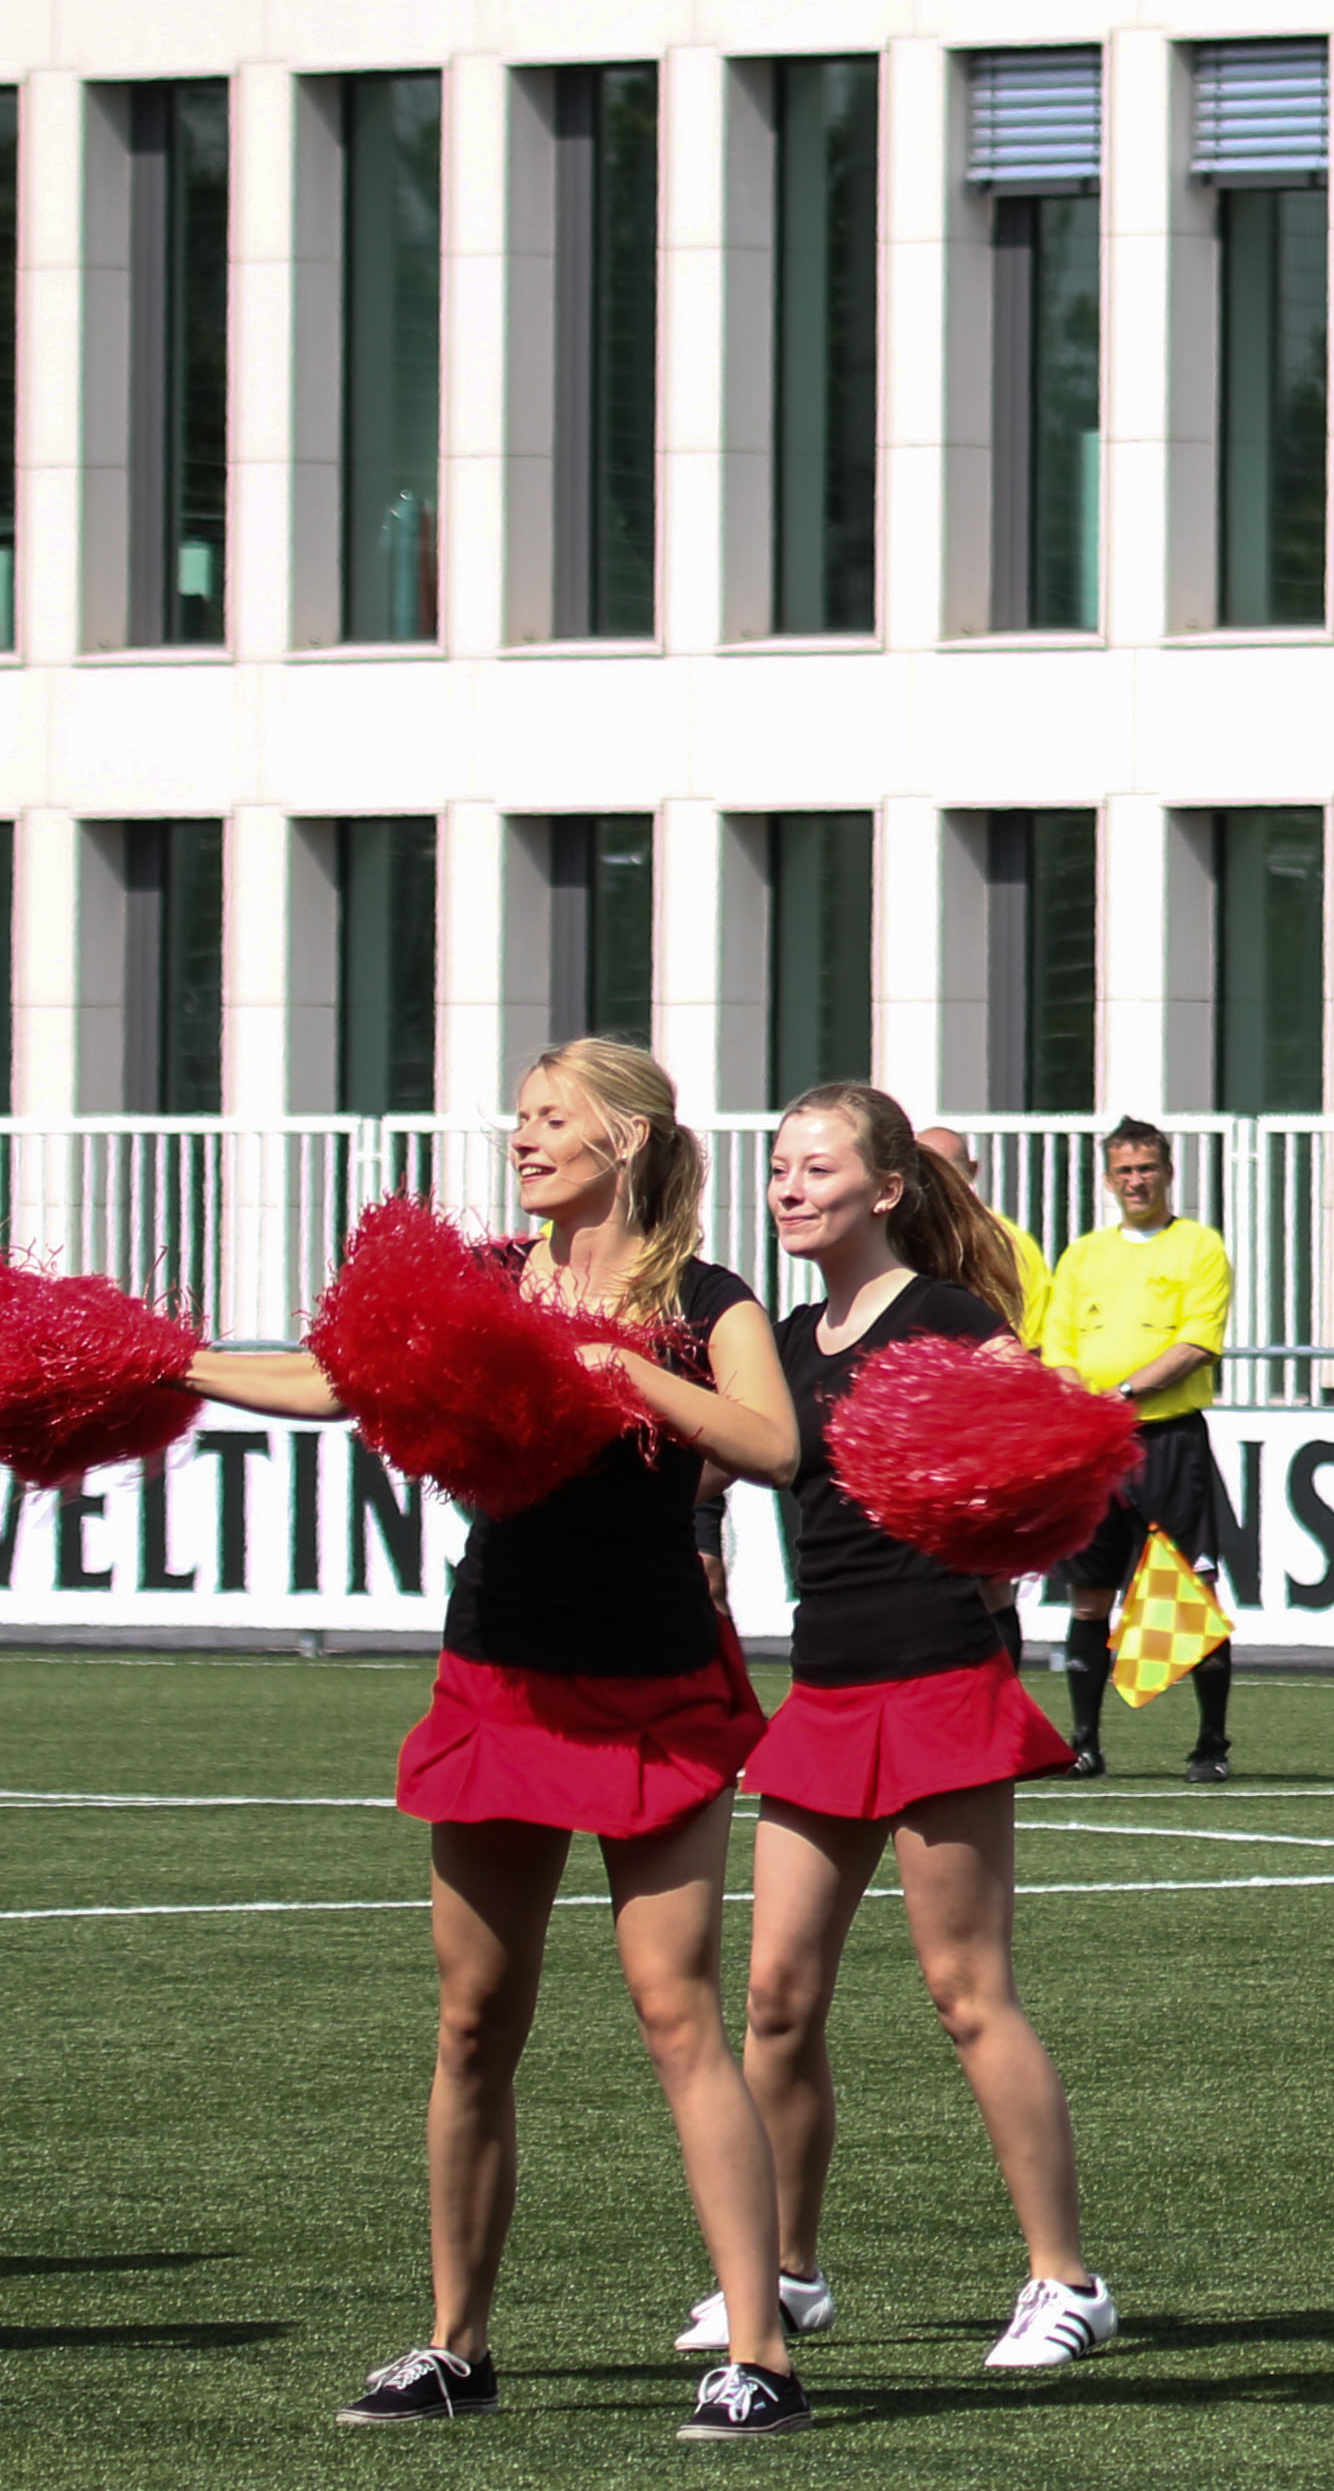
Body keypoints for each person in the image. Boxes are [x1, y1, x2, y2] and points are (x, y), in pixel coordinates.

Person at [178, 1040, 813, 2440]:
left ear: (626, 1139)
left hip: (655, 1683)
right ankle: (454, 2346)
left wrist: (623, 1369)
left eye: (549, 1118)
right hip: (501, 1677)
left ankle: (759, 2353)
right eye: (519, 1119)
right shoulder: (477, 1279)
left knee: (676, 2012)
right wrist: (165, 1359)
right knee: (473, 2023)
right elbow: (333, 1382)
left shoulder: (708, 1300)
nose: (521, 1139)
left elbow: (775, 1445)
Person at [712, 1084, 1114, 2372]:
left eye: (817, 1166)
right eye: (779, 1165)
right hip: (825, 1686)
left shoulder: (949, 1319)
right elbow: (714, 1459)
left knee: (966, 1989)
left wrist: (1001, 1546)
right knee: (775, 1997)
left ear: (885, 1188)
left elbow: (1056, 1448)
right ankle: (787, 2272)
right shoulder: (779, 1339)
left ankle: (1067, 2279)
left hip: (938, 1676)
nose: (790, 1186)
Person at [1041, 1120, 1241, 1780]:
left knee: (1189, 1592)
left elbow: (1196, 1343)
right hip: (1096, 1442)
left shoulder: (1198, 1247)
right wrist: (1082, 1401)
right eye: (1125, 1170)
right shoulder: (1082, 1256)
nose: (1137, 1181)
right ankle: (1084, 1744)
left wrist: (1121, 1393)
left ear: (1168, 1173)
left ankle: (1211, 1745)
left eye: (1147, 1168)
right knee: (1089, 1594)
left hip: (1167, 1441)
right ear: (1107, 1179)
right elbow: (1058, 1345)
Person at [920, 1125, 1056, 1352]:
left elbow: (1032, 1340)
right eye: (923, 1172)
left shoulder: (1009, 1244)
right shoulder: (896, 1238)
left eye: (945, 1172)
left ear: (972, 1170)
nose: (932, 1183)